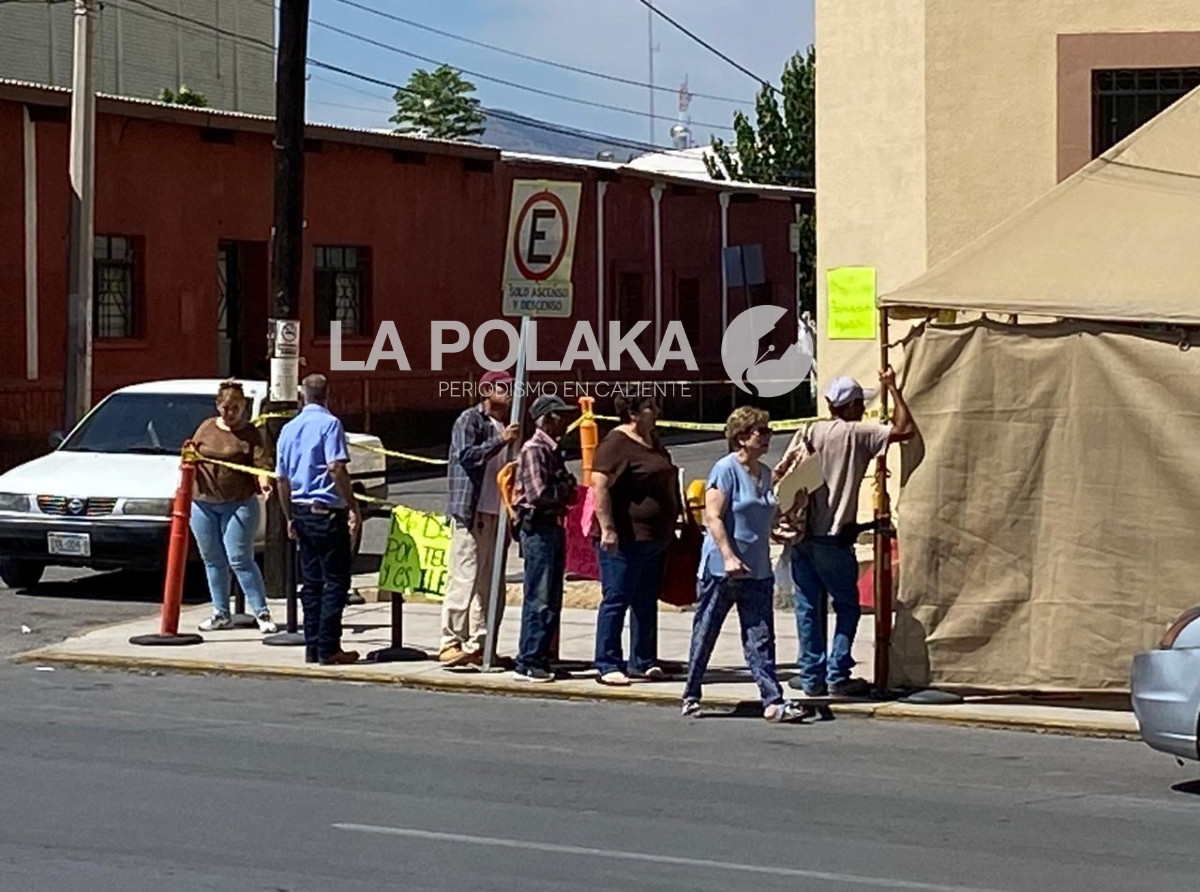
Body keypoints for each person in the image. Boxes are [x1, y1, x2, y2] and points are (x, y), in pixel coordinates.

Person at [775, 367, 916, 699]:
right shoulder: (858, 434)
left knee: (808, 607)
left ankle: (812, 677)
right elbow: (905, 430)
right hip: (834, 537)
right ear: (851, 406)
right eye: (859, 405)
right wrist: (893, 389)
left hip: (802, 535)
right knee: (847, 607)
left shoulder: (809, 431)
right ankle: (838, 673)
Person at [681, 406, 806, 723]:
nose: (767, 437)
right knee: (707, 630)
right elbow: (713, 516)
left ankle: (772, 700)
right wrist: (728, 556)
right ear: (741, 437)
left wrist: (782, 524)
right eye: (760, 432)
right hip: (723, 569)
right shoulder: (724, 469)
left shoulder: (764, 473)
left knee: (760, 636)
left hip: (758, 568)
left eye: (767, 431)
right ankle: (692, 693)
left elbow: (763, 516)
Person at [589, 394, 680, 685]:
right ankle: (608, 663)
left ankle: (643, 659)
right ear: (632, 413)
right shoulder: (615, 444)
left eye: (655, 406)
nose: (655, 411)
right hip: (625, 538)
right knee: (616, 598)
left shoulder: (653, 440)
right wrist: (608, 528)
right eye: (648, 407)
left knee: (645, 600)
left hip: (655, 537)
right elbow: (599, 486)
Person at [275, 373, 363, 666]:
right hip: (326, 511)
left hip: (300, 509)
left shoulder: (288, 429)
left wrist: (288, 516)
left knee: (311, 584)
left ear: (302, 396)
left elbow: (282, 480)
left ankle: (312, 646)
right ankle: (329, 646)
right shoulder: (330, 424)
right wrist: (352, 505)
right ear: (328, 395)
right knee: (336, 581)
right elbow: (336, 466)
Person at [438, 369, 522, 667]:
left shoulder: (509, 426)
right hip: (472, 512)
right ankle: (451, 641)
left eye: (511, 386)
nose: (510, 391)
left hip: (497, 513)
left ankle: (480, 643)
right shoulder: (470, 420)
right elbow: (467, 455)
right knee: (465, 577)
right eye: (503, 387)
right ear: (487, 391)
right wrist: (500, 440)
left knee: (490, 584)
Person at [185, 380, 277, 634]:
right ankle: (220, 613)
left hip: (238, 503)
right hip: (202, 502)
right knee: (212, 559)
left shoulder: (250, 433)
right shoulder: (206, 427)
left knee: (239, 559)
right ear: (218, 405)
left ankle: (262, 613)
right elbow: (192, 452)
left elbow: (262, 464)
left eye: (235, 408)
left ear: (244, 407)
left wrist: (264, 481)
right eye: (225, 408)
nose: (230, 413)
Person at [511, 395, 578, 683]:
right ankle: (528, 660)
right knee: (538, 596)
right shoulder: (534, 450)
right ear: (546, 419)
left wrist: (564, 487)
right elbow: (540, 494)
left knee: (551, 595)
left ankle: (542, 656)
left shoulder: (553, 450)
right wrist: (563, 487)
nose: (562, 421)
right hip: (538, 528)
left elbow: (571, 489)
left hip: (552, 525)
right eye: (557, 416)